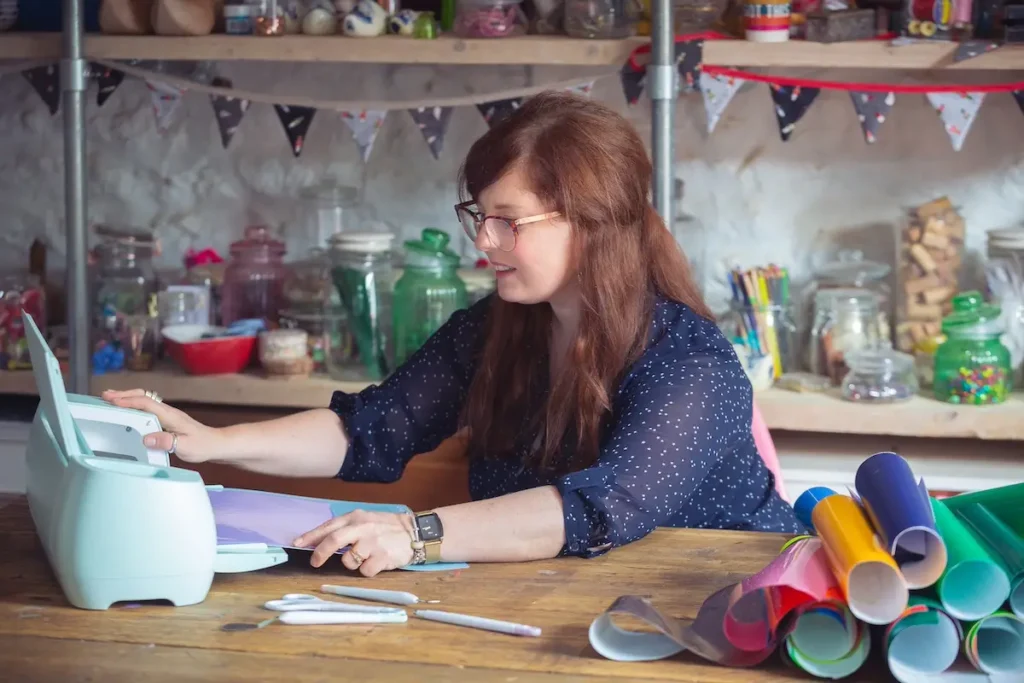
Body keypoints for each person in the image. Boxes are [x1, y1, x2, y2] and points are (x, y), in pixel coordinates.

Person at [104, 91, 802, 577]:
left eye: (509, 221)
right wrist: (212, 441)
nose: (484, 242)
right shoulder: (498, 330)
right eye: (480, 216)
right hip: (570, 606)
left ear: (589, 223)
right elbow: (374, 427)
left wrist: (415, 533)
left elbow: (596, 509)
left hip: (728, 620)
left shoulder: (690, 363)